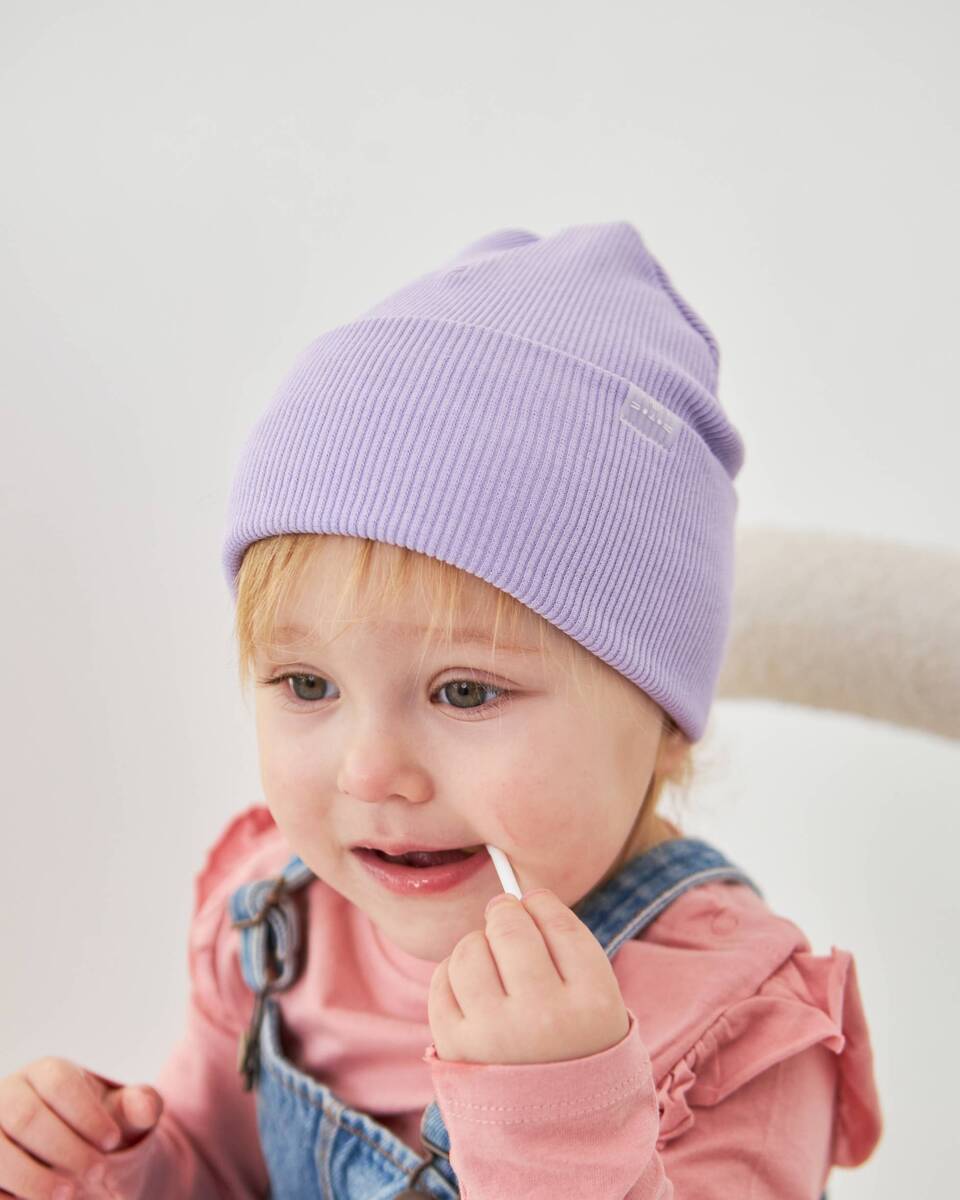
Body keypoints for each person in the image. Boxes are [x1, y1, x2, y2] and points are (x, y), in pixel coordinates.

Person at [0, 221, 883, 1199]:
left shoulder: (733, 1021)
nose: (370, 772)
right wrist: (106, 1171)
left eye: (464, 691)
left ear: (664, 722)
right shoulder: (283, 931)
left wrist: (560, 1133)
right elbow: (224, 1171)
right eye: (308, 685)